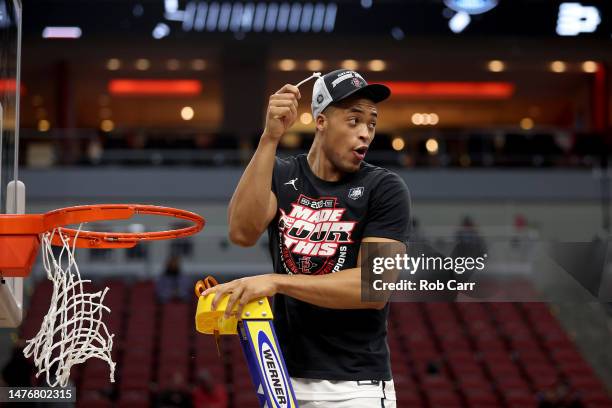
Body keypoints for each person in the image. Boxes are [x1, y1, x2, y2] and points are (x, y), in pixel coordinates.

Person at [202, 69, 411, 407]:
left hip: (356, 387)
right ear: (321, 121)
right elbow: (241, 232)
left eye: (371, 124)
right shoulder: (282, 173)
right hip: (282, 380)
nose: (365, 134)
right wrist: (270, 138)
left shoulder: (385, 188)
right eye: (354, 120)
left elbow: (375, 287)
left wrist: (278, 282)